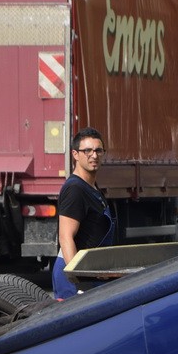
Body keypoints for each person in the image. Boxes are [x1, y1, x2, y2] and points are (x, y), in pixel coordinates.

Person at [51, 127, 116, 299]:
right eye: (87, 150)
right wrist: (78, 282)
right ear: (75, 154)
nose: (94, 155)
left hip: (91, 273)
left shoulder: (92, 187)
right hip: (73, 276)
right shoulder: (75, 189)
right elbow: (65, 237)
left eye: (98, 150)